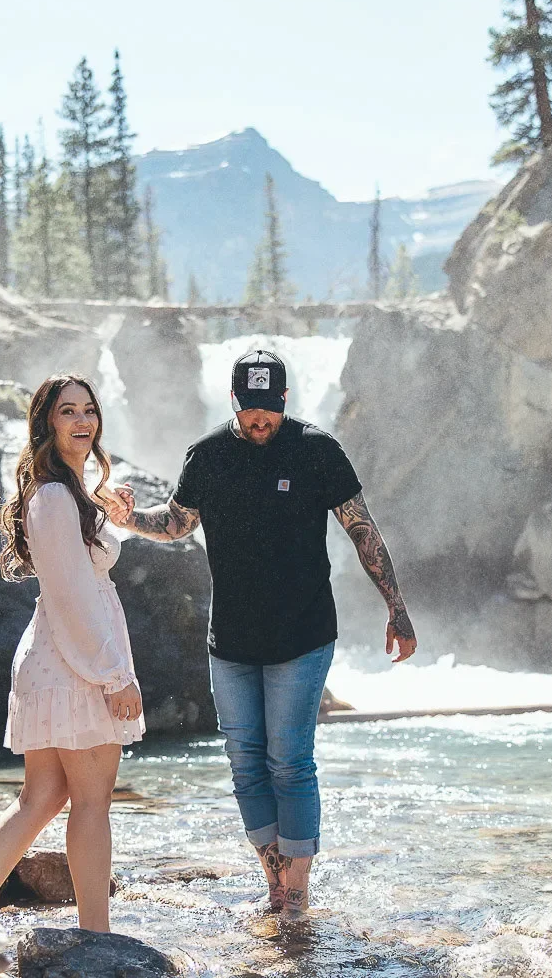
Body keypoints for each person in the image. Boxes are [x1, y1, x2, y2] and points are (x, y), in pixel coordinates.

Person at [107, 349, 418, 920]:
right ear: (235, 402)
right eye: (250, 410)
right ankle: (273, 875)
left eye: (268, 410)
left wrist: (396, 608)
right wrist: (128, 519)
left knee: (290, 761)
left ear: (283, 402)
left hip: (304, 636)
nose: (259, 420)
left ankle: (296, 891)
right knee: (245, 763)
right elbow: (177, 523)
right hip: (230, 642)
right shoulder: (207, 455)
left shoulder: (317, 450)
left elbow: (362, 529)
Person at [0, 374, 143, 944]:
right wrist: (115, 676)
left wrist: (104, 511)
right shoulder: (53, 496)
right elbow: (73, 594)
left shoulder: (65, 493)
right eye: (68, 411)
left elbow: (78, 567)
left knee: (43, 798)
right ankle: (96, 935)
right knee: (92, 801)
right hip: (74, 665)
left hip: (61, 660)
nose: (83, 420)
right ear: (46, 422)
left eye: (89, 410)